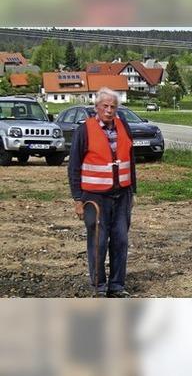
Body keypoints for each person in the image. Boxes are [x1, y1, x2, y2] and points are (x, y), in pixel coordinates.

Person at [68, 87, 135, 298]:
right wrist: (78, 199)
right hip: (94, 197)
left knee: (120, 240)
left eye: (113, 106)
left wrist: (133, 191)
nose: (109, 110)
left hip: (122, 194)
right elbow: (74, 166)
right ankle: (99, 285)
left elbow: (130, 160)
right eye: (105, 106)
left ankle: (117, 286)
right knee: (98, 241)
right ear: (96, 107)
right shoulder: (84, 130)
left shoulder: (123, 126)